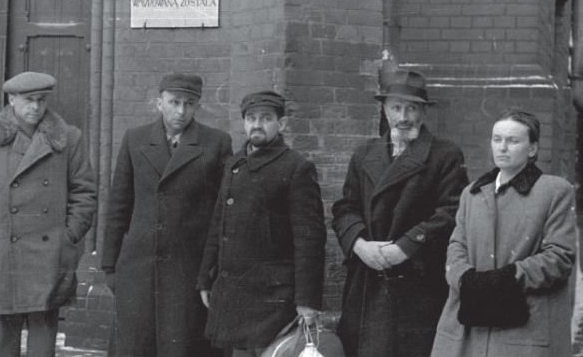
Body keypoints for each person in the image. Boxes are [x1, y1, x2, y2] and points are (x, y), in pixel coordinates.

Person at [0, 71, 97, 357]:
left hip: (48, 256)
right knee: (3, 343)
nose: (36, 107)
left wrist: (68, 237)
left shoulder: (68, 138)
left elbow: (84, 193)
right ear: (12, 99)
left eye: (41, 100)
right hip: (3, 256)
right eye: (28, 100)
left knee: (43, 345)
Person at [331, 69, 468, 357]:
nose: (403, 117)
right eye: (396, 107)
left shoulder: (445, 155)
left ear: (423, 113)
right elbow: (345, 208)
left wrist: (405, 247)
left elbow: (452, 211)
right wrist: (359, 245)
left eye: (412, 108)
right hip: (368, 278)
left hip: (417, 280)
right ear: (384, 110)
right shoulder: (364, 154)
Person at [101, 73, 232, 357]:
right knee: (136, 345)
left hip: (187, 269)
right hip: (139, 268)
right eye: (174, 102)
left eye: (189, 103)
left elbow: (221, 214)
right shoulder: (135, 140)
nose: (181, 111)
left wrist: (211, 271)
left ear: (198, 106)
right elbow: (119, 206)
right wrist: (110, 265)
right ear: (159, 102)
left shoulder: (216, 143)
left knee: (183, 346)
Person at [430, 110, 576, 357]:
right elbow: (456, 245)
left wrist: (508, 278)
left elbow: (560, 257)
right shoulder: (472, 194)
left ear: (532, 149)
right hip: (467, 329)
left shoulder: (553, 191)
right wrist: (464, 279)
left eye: (513, 141)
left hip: (524, 328)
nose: (503, 147)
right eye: (497, 139)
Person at [197, 90, 326, 357]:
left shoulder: (296, 167)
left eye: (266, 118)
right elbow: (218, 225)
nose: (256, 124)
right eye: (251, 118)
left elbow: (309, 240)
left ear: (282, 124)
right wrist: (205, 278)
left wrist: (307, 301)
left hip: (274, 299)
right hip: (235, 294)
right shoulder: (234, 164)